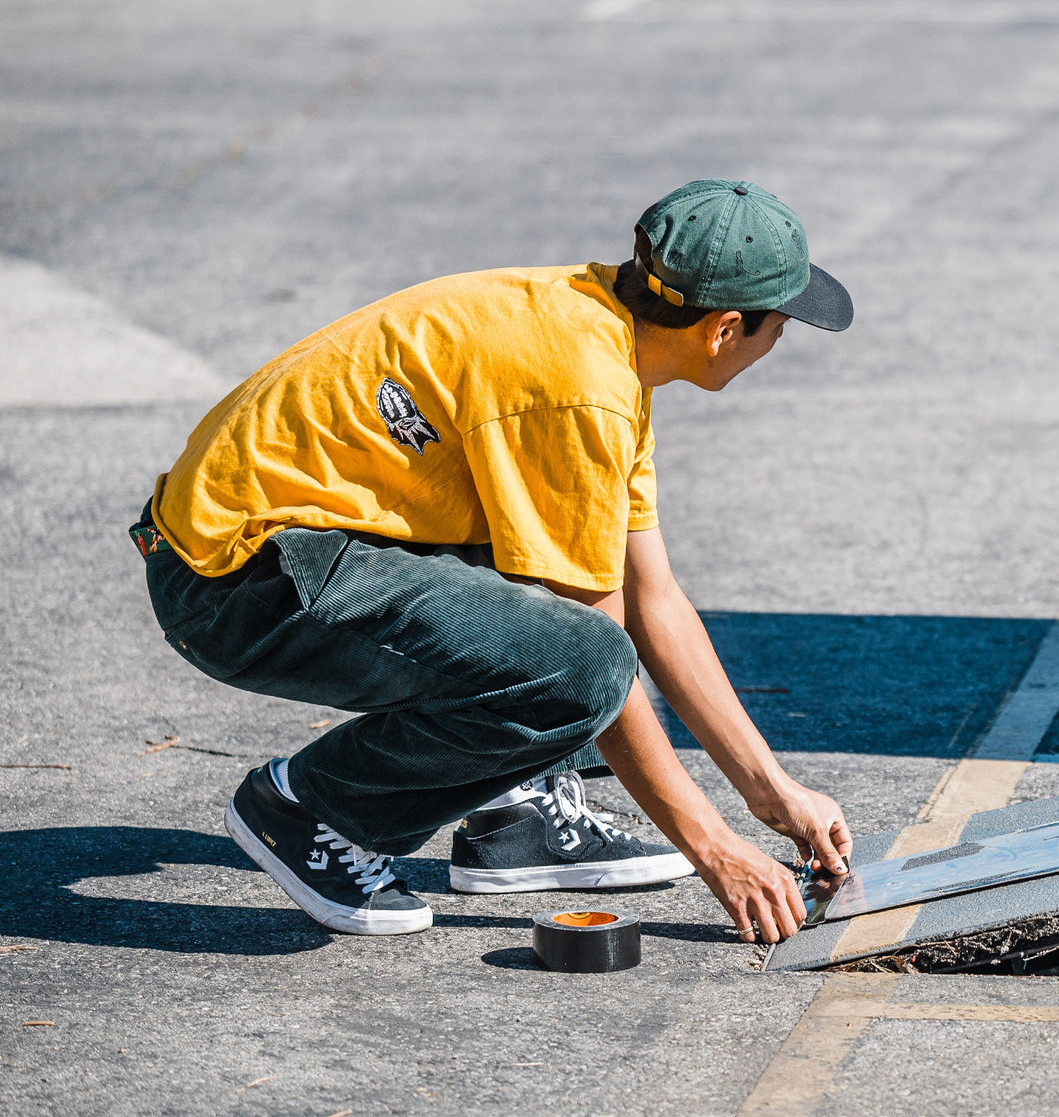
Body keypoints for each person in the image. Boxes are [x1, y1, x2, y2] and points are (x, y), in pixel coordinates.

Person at [131, 178, 854, 942]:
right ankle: (308, 806)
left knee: (560, 580)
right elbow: (600, 654)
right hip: (235, 585)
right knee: (583, 665)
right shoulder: (580, 390)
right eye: (779, 325)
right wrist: (716, 851)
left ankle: (513, 816)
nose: (779, 342)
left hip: (277, 545)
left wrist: (772, 792)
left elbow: (654, 600)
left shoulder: (599, 328)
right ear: (724, 330)